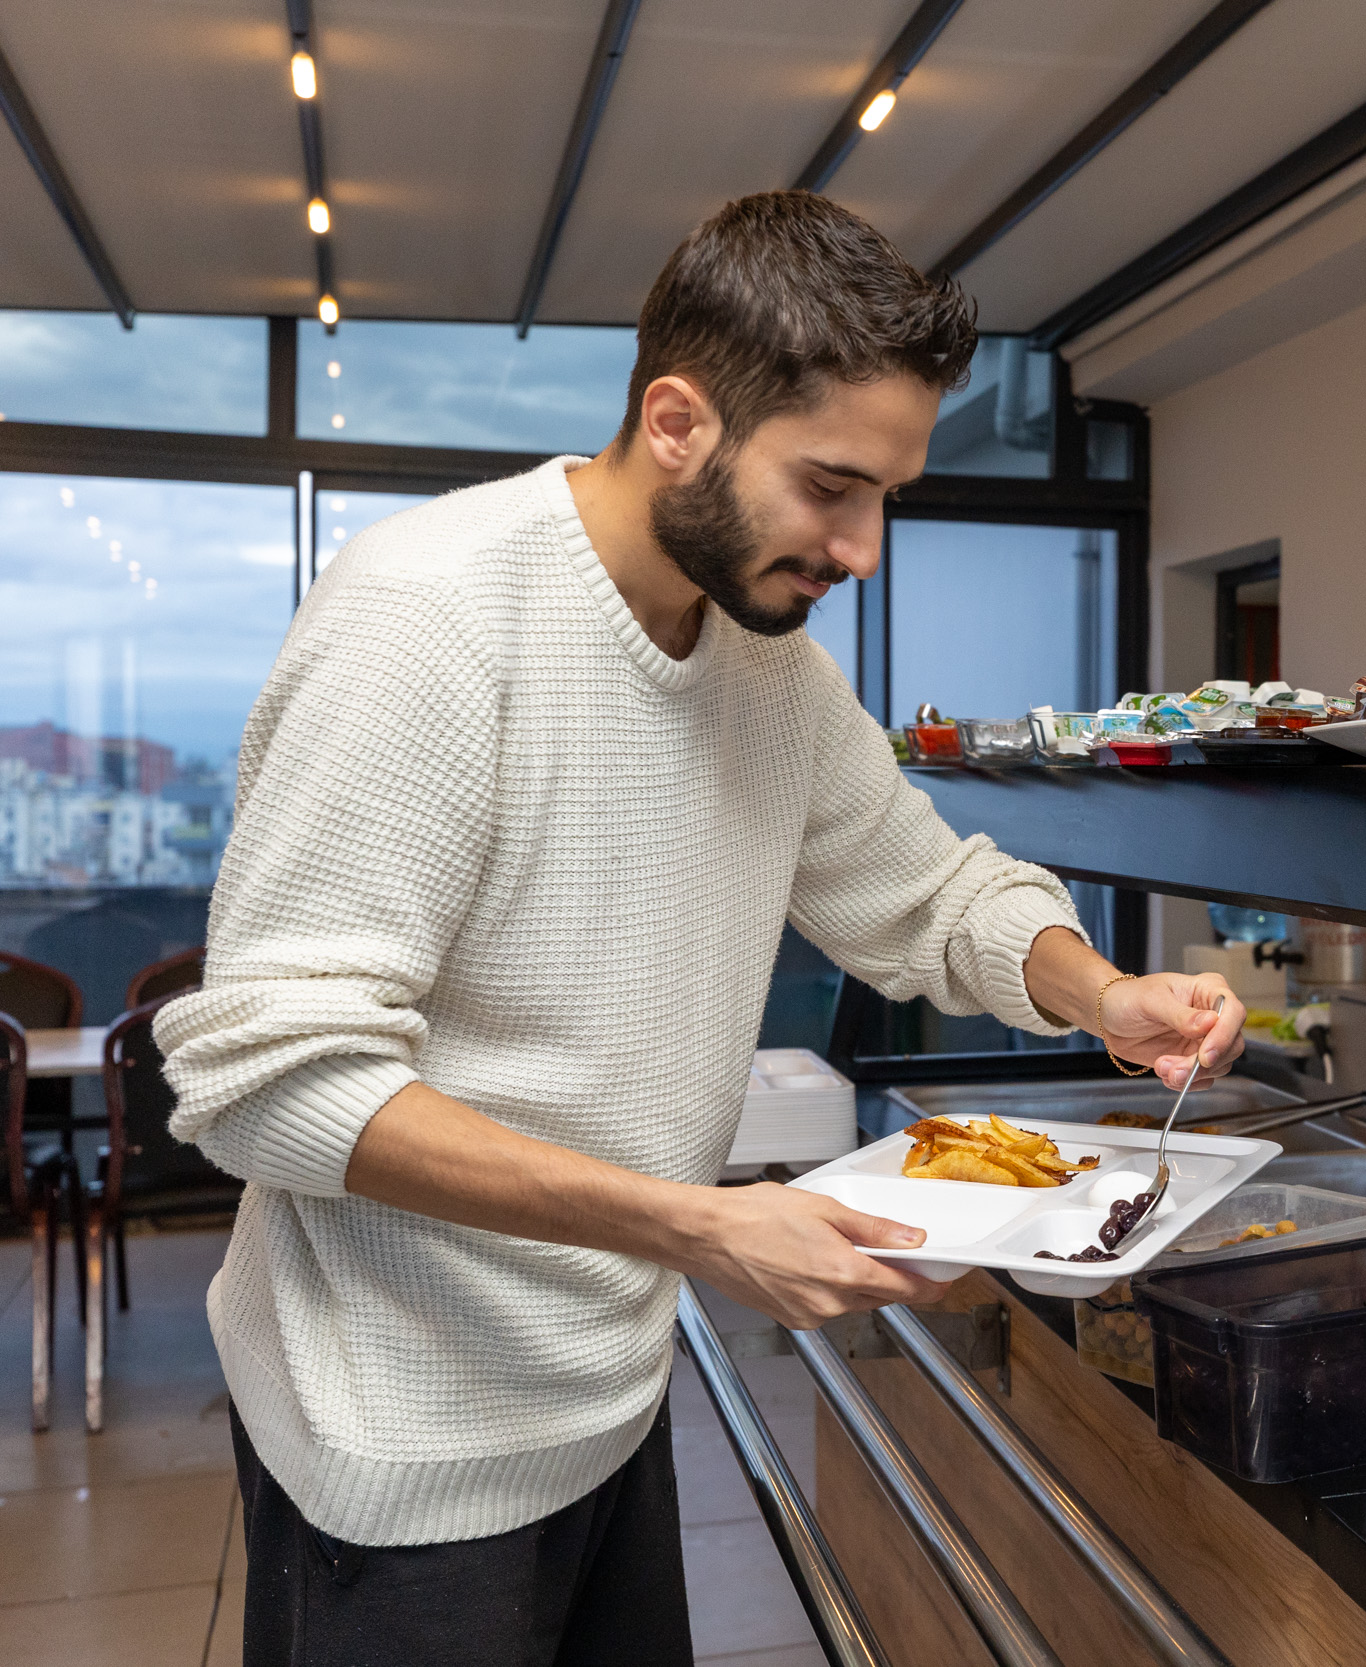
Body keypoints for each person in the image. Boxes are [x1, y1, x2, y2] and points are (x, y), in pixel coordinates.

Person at [157, 192, 1247, 1667]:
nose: (862, 547)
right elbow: (272, 1084)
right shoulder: (429, 619)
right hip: (400, 1443)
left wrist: (1102, 988)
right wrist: (704, 1226)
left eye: (887, 497)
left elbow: (934, 894)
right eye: (830, 486)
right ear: (677, 420)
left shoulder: (764, 668)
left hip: (606, 1398)